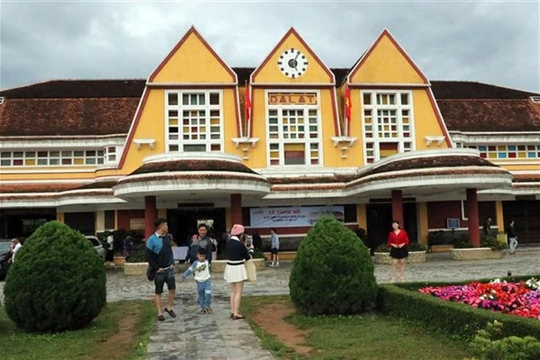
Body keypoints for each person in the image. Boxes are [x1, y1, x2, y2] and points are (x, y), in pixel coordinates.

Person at [146, 218, 176, 322]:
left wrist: (172, 262)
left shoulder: (167, 238)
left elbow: (170, 252)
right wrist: (156, 268)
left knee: (172, 289)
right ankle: (159, 312)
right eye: (166, 225)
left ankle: (168, 306)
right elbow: (148, 257)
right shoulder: (151, 240)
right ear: (161, 226)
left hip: (169, 269)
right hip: (159, 270)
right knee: (158, 291)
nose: (167, 227)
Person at [223, 224, 251, 320]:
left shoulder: (228, 242)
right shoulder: (239, 244)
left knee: (233, 291)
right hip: (238, 267)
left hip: (230, 266)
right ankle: (236, 313)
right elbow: (247, 257)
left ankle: (232, 311)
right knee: (238, 291)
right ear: (240, 233)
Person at [181, 247, 212, 314]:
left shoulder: (207, 262)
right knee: (201, 295)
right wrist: (184, 276)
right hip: (199, 282)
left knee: (208, 293)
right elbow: (190, 270)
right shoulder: (195, 263)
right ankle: (203, 307)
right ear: (197, 255)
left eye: (203, 256)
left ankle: (207, 305)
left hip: (207, 280)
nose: (202, 258)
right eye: (200, 256)